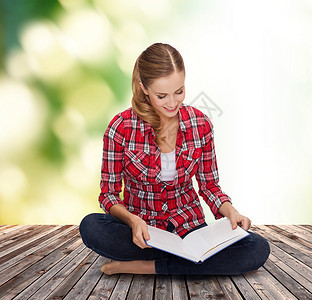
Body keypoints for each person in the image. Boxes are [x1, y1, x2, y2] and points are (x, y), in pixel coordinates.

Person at [79, 42, 270, 275]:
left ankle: (148, 267)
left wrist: (232, 212)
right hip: (144, 232)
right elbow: (108, 194)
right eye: (162, 95)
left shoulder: (200, 124)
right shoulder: (120, 128)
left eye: (179, 92)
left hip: (189, 227)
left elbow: (210, 187)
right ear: (144, 88)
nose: (172, 103)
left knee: (257, 247)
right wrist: (132, 221)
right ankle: (189, 263)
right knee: (91, 227)